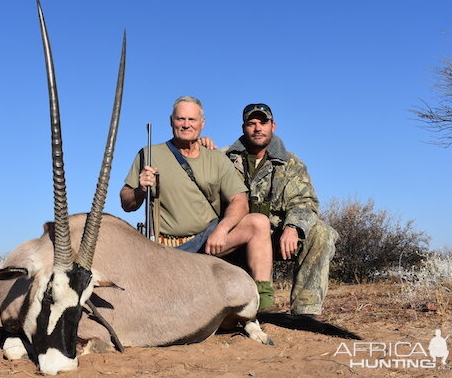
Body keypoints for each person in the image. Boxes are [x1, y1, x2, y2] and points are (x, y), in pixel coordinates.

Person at [119, 96, 276, 310]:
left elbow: (239, 201)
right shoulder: (149, 154)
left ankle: (263, 302)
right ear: (171, 121)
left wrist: (222, 229)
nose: (186, 124)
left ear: (202, 123)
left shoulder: (217, 158)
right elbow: (127, 203)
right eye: (180, 119)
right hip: (169, 250)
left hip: (208, 241)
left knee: (258, 222)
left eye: (192, 119)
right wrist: (140, 189)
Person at [211, 103, 337, 316]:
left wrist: (292, 227)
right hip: (235, 236)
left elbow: (305, 202)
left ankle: (305, 312)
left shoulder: (291, 163)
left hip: (276, 237)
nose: (258, 128)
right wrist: (200, 145)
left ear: (273, 126)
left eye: (263, 123)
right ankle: (252, 303)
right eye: (251, 123)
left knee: (321, 233)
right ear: (243, 128)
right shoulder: (221, 158)